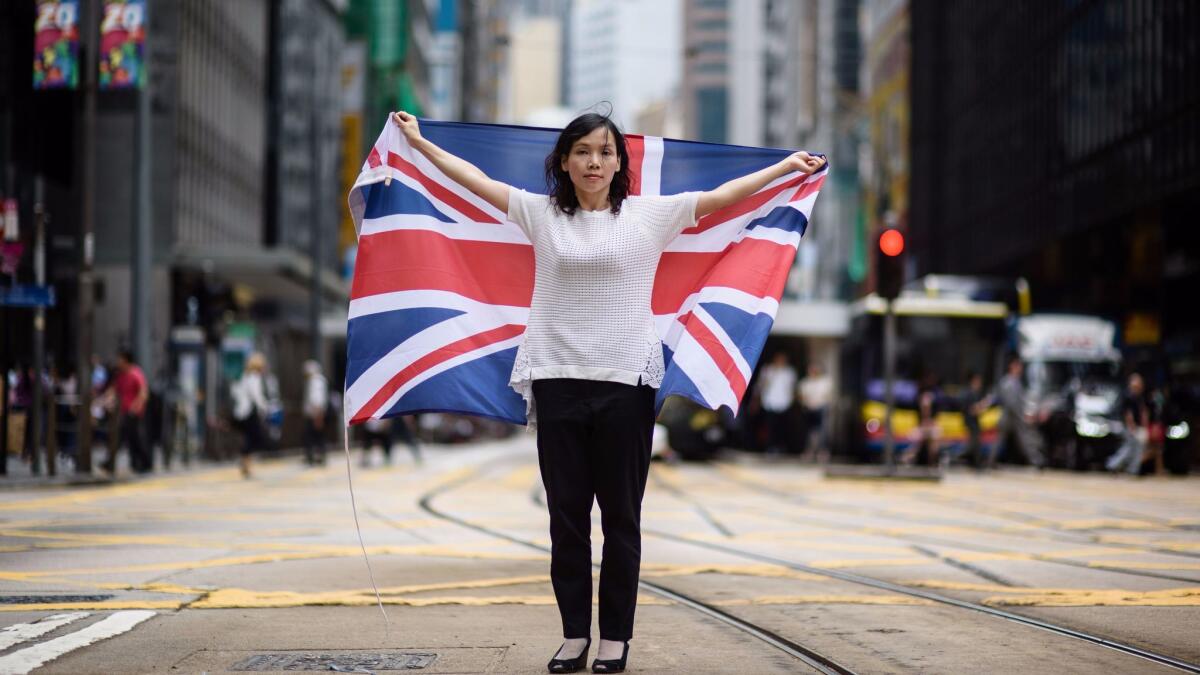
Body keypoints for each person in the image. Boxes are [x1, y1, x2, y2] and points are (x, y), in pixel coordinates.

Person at [391, 109, 825, 673]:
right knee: (565, 519)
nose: (594, 162)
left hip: (626, 384)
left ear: (620, 162)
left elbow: (723, 198)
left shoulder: (651, 216)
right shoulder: (539, 213)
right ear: (565, 161)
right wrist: (420, 143)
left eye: (605, 152)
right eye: (582, 152)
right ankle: (574, 636)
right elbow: (472, 178)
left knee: (621, 518)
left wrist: (785, 168)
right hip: (557, 381)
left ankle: (615, 639)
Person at [103, 349, 151, 475]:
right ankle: (139, 463)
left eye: (120, 359)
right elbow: (113, 389)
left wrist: (135, 407)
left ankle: (144, 463)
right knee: (128, 438)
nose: (118, 362)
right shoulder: (121, 375)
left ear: (126, 360)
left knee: (131, 438)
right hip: (123, 412)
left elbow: (143, 393)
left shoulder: (136, 373)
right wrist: (105, 399)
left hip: (134, 413)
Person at [995, 357, 1046, 469]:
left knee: (1025, 440)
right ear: (1012, 367)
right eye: (1018, 366)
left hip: (1016, 418)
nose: (1020, 369)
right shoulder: (1007, 382)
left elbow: (1021, 401)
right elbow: (1011, 403)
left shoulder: (1017, 382)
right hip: (1009, 417)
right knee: (999, 441)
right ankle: (989, 461)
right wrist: (1023, 415)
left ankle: (1036, 461)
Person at [231, 352, 271, 478]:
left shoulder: (245, 376)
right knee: (256, 438)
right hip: (249, 413)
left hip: (241, 412)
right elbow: (256, 395)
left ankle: (246, 464)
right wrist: (265, 407)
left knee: (250, 437)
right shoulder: (254, 377)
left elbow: (235, 392)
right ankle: (245, 461)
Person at [1106, 373, 1148, 475]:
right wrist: (1132, 426)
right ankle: (1113, 464)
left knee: (1137, 448)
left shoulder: (1138, 397)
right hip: (1129, 426)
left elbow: (1142, 412)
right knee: (1129, 446)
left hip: (1136, 426)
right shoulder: (1129, 396)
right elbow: (1127, 414)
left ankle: (1132, 469)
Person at [756, 352, 797, 455]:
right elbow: (761, 385)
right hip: (770, 402)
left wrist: (791, 400)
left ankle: (780, 446)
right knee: (770, 426)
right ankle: (769, 446)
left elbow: (792, 387)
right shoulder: (768, 369)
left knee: (782, 427)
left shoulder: (789, 372)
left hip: (784, 403)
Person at [798, 362, 832, 461]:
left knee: (822, 431)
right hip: (809, 408)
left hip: (821, 408)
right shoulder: (805, 382)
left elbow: (827, 395)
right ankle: (809, 451)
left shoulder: (825, 382)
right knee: (809, 431)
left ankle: (823, 451)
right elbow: (801, 396)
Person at [961, 372, 991, 469]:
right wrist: (983, 404)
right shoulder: (969, 394)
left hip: (975, 422)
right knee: (974, 443)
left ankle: (974, 462)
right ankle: (974, 462)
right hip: (970, 422)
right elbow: (971, 410)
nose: (980, 383)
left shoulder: (976, 394)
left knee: (976, 443)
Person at [302, 360, 329, 466]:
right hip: (315, 413)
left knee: (313, 436)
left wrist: (318, 416)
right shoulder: (315, 380)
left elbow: (317, 399)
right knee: (316, 436)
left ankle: (316, 457)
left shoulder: (316, 381)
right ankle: (317, 456)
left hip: (315, 414)